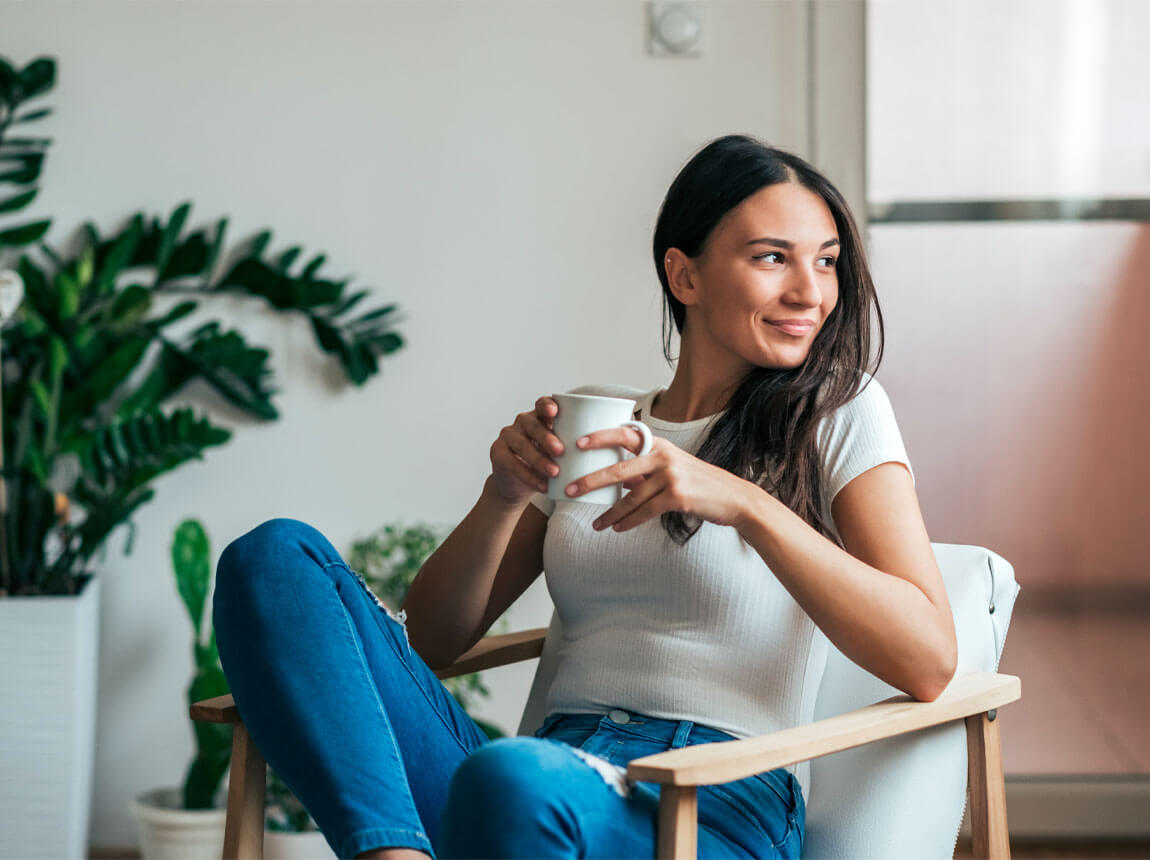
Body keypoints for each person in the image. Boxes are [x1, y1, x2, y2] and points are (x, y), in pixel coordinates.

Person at [212, 134, 958, 860]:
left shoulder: (837, 412)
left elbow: (927, 660)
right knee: (273, 558)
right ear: (684, 276)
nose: (810, 292)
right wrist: (504, 496)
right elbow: (432, 643)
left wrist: (744, 503)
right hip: (545, 780)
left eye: (826, 261)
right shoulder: (598, 419)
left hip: (713, 798)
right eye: (772, 257)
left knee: (513, 778)